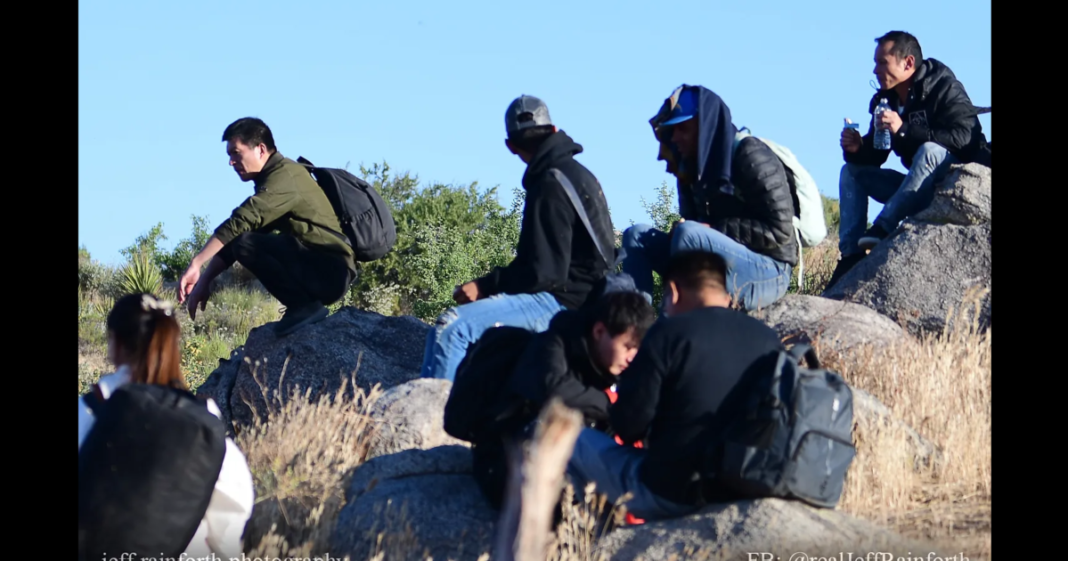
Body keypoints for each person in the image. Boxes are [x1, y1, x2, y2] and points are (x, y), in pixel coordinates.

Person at [564, 250, 786, 521]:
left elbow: (627, 426)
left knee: (573, 441)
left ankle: (604, 543)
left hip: (672, 495)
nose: (666, 309)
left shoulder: (667, 334)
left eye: (666, 301)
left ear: (673, 291)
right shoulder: (768, 339)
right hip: (746, 490)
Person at [420, 95, 617, 382]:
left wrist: (485, 285)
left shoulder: (550, 182)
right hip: (589, 299)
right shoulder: (578, 174)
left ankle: (433, 424)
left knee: (452, 329)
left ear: (511, 146)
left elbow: (544, 274)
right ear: (553, 130)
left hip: (564, 302)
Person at [78, 293, 254, 558]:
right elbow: (233, 511)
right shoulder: (204, 417)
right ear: (173, 345)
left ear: (114, 343)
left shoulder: (91, 408)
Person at [827, 31, 990, 289]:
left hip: (949, 191)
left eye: (882, 62)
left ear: (908, 63)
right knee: (851, 171)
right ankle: (850, 256)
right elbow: (878, 155)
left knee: (929, 150)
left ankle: (883, 227)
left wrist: (903, 129)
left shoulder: (943, 86)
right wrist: (859, 148)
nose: (875, 70)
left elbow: (965, 139)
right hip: (913, 191)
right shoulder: (885, 98)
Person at [468, 290, 657, 510]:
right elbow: (554, 389)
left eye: (637, 349)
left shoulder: (614, 363)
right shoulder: (552, 344)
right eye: (627, 347)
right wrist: (612, 405)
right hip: (505, 463)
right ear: (599, 331)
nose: (631, 357)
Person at [620, 85, 797, 312]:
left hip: (769, 271)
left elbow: (780, 232)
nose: (675, 137)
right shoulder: (689, 167)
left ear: (704, 127)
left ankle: (673, 330)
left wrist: (714, 229)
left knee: (689, 234)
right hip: (712, 264)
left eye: (682, 128)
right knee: (636, 236)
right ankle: (633, 327)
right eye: (672, 130)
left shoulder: (750, 155)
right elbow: (693, 227)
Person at [177, 117, 357, 336]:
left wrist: (197, 263)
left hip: (330, 270)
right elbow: (239, 236)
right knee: (245, 241)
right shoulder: (274, 179)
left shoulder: (284, 178)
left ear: (260, 150)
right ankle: (302, 307)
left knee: (246, 242)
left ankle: (304, 307)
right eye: (229, 155)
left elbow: (240, 222)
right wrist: (204, 280)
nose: (231, 162)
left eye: (236, 153)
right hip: (322, 270)